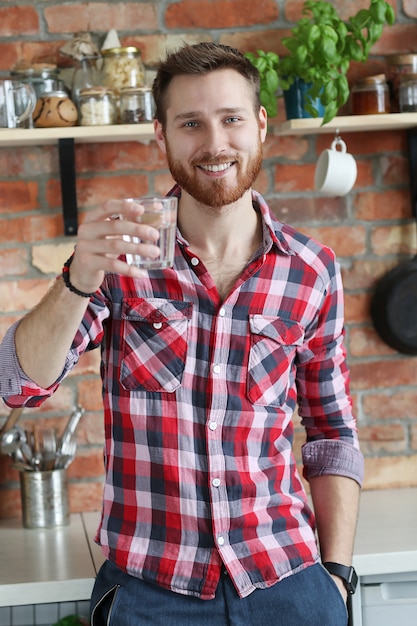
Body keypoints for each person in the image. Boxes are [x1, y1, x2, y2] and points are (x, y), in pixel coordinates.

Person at [0, 42, 363, 625]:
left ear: (260, 126)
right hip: (150, 593)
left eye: (231, 119)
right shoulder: (121, 262)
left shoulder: (311, 269)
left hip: (288, 582)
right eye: (191, 123)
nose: (215, 144)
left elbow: (331, 431)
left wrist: (339, 576)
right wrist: (76, 277)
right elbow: (20, 384)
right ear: (161, 137)